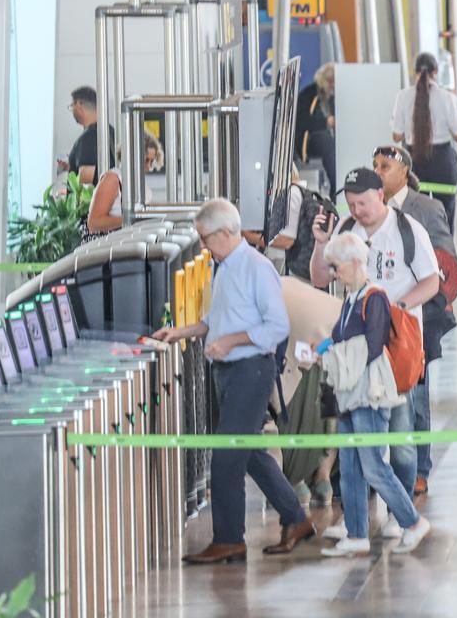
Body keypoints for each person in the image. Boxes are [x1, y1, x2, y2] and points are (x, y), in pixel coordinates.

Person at [153, 199, 313, 563]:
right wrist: (180, 333)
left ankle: (229, 539)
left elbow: (276, 327)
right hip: (226, 372)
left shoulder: (256, 268)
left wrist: (231, 341)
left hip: (250, 371)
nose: (204, 246)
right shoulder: (222, 266)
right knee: (251, 452)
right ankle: (295, 518)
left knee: (226, 458)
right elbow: (217, 318)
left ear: (226, 232)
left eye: (206, 238)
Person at [309, 167, 440, 539]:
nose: (357, 209)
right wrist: (322, 243)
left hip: (397, 345)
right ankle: (358, 526)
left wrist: (397, 307)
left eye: (362, 202)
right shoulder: (346, 230)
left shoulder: (408, 230)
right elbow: (321, 278)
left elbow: (432, 281)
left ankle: (405, 518)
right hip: (356, 347)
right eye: (351, 203)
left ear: (380, 195)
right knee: (355, 445)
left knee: (399, 438)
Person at [372, 144, 456, 497]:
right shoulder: (367, 212)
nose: (378, 171)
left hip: (415, 322)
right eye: (374, 165)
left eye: (385, 166)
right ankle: (378, 470)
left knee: (416, 397)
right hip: (376, 322)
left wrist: (431, 311)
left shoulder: (427, 208)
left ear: (404, 171)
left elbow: (446, 265)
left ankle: (419, 467)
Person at [391, 53, 457, 231]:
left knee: (415, 216)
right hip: (442, 162)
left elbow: (396, 136)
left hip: (414, 162)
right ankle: (445, 255)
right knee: (445, 216)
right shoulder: (447, 97)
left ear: (415, 73)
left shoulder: (403, 97)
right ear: (436, 72)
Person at [85, 131, 162, 236]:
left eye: (152, 162)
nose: (148, 167)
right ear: (132, 156)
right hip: (110, 246)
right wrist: (132, 219)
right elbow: (93, 223)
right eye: (145, 160)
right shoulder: (112, 179)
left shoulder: (144, 188)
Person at [294, 63, 336, 191]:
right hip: (308, 141)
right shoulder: (308, 94)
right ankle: (336, 187)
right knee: (327, 143)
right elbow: (302, 121)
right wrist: (325, 122)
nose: (333, 85)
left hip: (329, 140)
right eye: (330, 81)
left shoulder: (335, 96)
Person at [63, 86, 115, 186]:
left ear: (78, 105)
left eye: (71, 106)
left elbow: (85, 185)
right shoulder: (109, 130)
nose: (72, 110)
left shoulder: (89, 137)